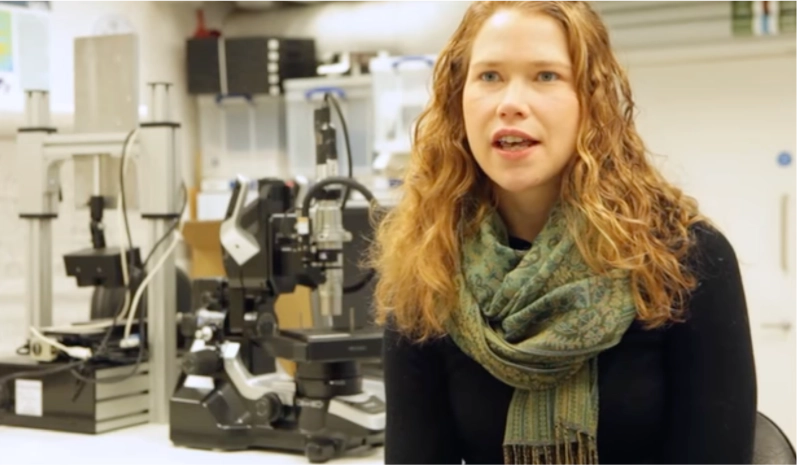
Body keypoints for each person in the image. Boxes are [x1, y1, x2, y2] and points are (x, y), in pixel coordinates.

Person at [366, 0, 758, 464]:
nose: (511, 103)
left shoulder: (684, 258)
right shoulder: (428, 265)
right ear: (458, 98)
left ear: (591, 102)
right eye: (489, 76)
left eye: (546, 76)